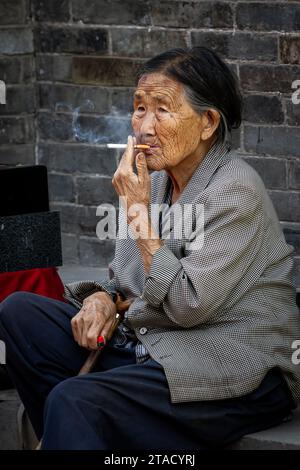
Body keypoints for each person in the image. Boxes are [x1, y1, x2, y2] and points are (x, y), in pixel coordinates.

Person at [0, 47, 299, 450]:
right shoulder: (154, 181)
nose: (144, 126)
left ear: (208, 122)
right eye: (139, 109)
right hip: (156, 345)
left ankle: (83, 423)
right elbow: (124, 280)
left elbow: (187, 306)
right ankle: (78, 433)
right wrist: (103, 301)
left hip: (232, 365)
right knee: (20, 312)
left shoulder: (235, 192)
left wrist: (138, 214)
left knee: (74, 399)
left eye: (162, 110)